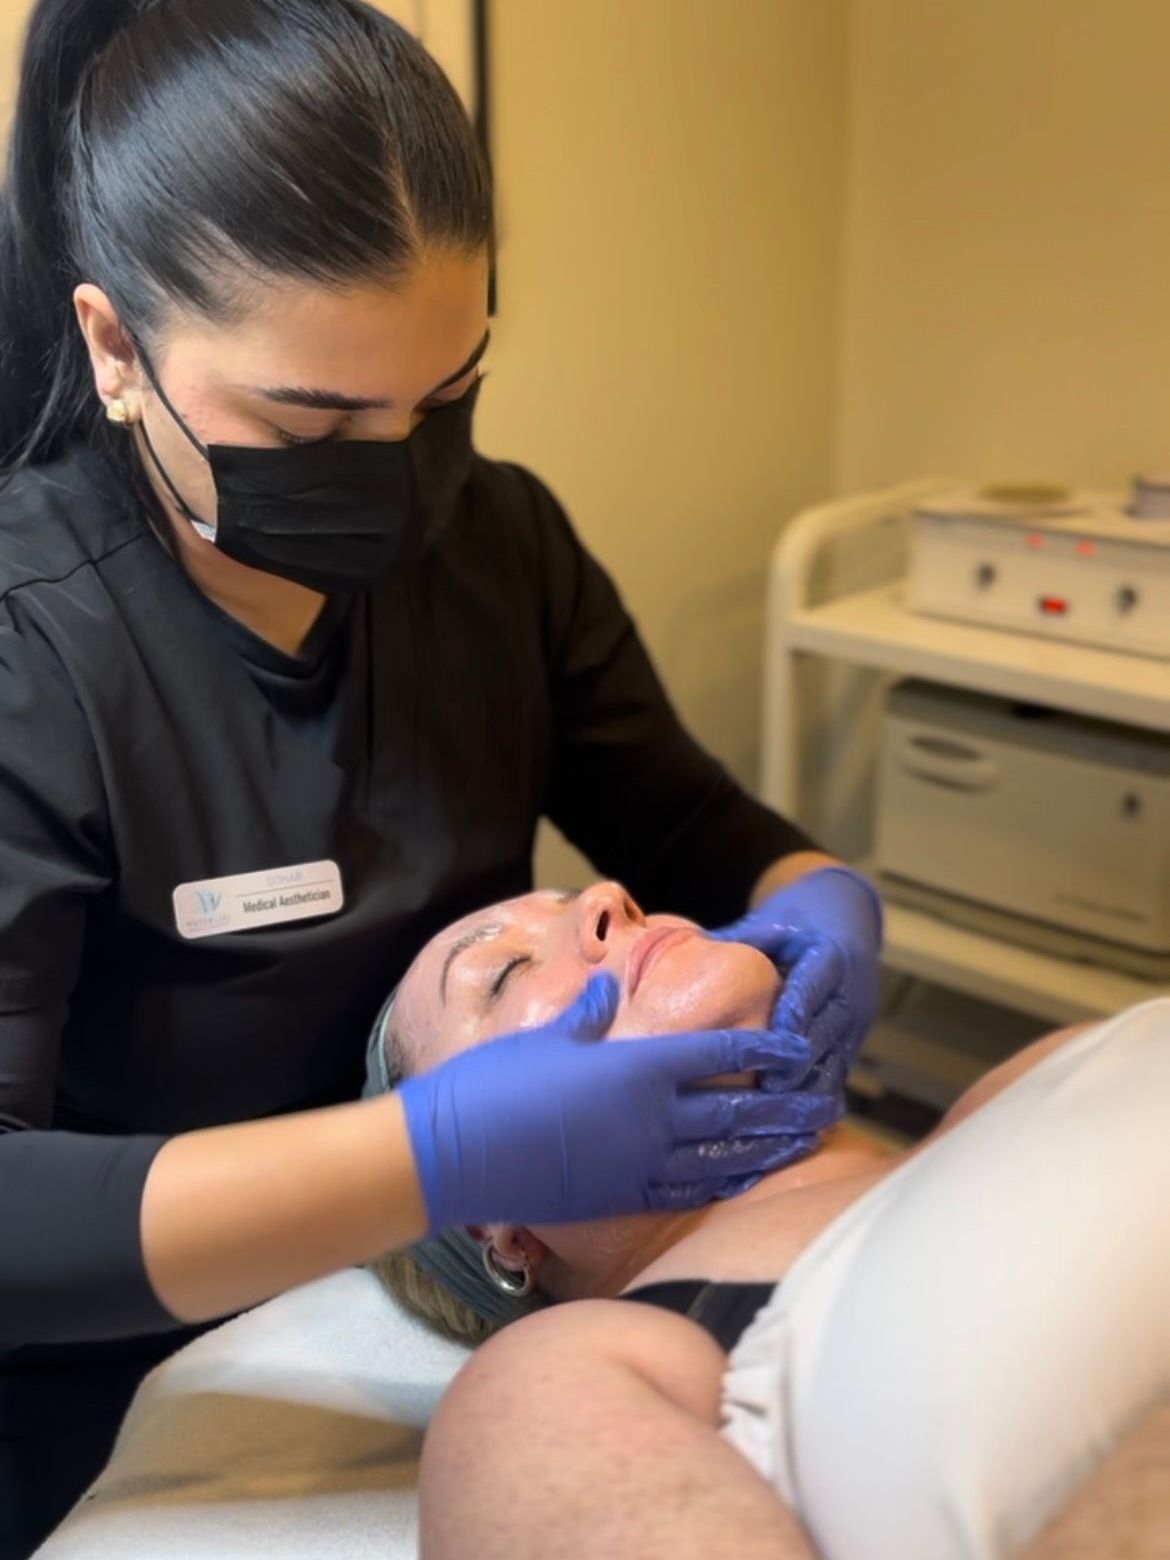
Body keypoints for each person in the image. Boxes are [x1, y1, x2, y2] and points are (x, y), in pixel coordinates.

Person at [0, 1, 885, 1552]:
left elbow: (689, 827)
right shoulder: (33, 654)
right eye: (317, 417)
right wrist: (440, 1152)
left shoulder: (499, 546)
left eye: (448, 391)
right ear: (114, 346)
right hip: (99, 1369)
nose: (402, 466)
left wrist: (825, 906)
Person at [362, 882, 1170, 1559]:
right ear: (498, 1224)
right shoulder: (551, 1388)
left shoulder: (1030, 1078)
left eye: (585, 894)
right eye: (502, 974)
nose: (612, 898)